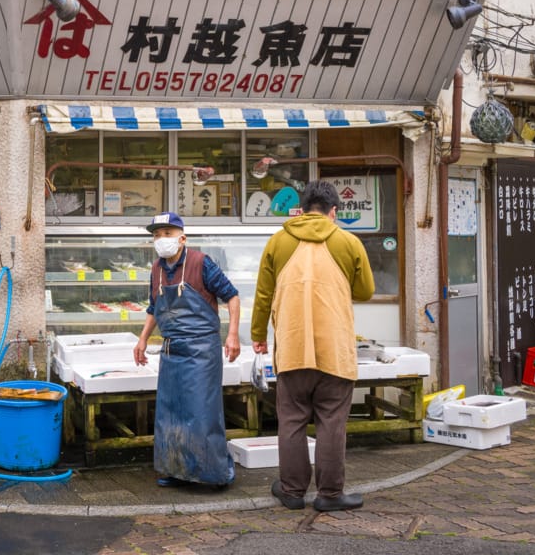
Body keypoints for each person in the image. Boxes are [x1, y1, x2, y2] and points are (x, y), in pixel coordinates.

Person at [251, 180, 376, 513]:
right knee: (332, 422)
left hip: (292, 348)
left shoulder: (278, 242)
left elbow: (263, 295)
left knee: (291, 420)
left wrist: (258, 335)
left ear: (301, 210)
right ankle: (330, 495)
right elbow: (365, 291)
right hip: (334, 350)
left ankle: (292, 491)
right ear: (333, 211)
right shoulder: (348, 242)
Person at [133, 212, 241, 489]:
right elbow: (153, 307)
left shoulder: (201, 263)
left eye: (167, 233)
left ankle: (213, 474)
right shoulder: (156, 268)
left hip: (202, 351)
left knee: (201, 413)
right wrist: (143, 338)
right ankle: (175, 469)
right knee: (171, 413)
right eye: (157, 235)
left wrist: (232, 335)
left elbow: (232, 296)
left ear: (182, 237)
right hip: (171, 351)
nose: (161, 239)